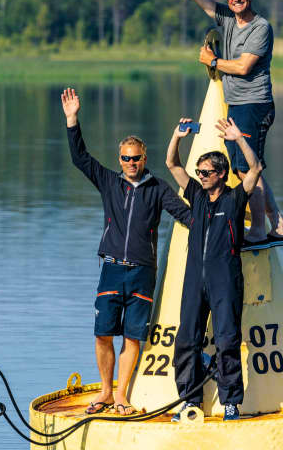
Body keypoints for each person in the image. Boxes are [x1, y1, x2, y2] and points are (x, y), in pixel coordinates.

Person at [61, 87, 192, 416]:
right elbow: (80, 159)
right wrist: (72, 120)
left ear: (144, 159)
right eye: (125, 158)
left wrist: (221, 216)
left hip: (143, 272)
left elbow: (188, 216)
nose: (131, 163)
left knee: (132, 337)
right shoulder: (109, 182)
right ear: (120, 160)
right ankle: (105, 391)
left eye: (136, 158)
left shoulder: (158, 188)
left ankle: (121, 396)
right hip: (112, 268)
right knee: (103, 332)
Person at [156, 0, 283, 248]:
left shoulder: (260, 27)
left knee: (247, 170)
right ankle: (278, 225)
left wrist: (213, 62)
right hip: (238, 105)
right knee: (247, 168)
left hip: (254, 104)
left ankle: (257, 231)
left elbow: (243, 67)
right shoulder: (228, 19)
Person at [164, 115, 264, 422]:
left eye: (207, 172)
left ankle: (231, 402)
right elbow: (172, 165)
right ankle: (189, 400)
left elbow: (256, 168)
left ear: (221, 174)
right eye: (200, 172)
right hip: (195, 280)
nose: (201, 176)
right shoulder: (196, 195)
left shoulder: (234, 199)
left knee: (226, 341)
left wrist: (238, 139)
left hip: (225, 282)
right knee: (185, 341)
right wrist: (177, 137)